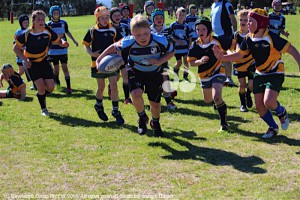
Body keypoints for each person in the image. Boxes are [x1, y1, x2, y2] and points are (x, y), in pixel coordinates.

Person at [213, 8, 300, 138]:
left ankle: (281, 112)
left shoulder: (271, 37)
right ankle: (273, 127)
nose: (247, 23)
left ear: (260, 23)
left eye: (250, 21)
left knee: (269, 102)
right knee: (259, 106)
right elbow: (239, 55)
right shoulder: (248, 38)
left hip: (275, 72)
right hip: (260, 73)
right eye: (247, 20)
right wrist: (222, 58)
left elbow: (292, 50)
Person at [96, 14, 174, 136]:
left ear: (150, 30)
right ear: (132, 33)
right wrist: (99, 59)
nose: (142, 37)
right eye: (138, 35)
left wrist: (160, 61)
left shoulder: (160, 40)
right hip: (135, 71)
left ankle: (155, 122)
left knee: (155, 104)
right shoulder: (128, 41)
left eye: (145, 33)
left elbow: (171, 52)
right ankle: (142, 118)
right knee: (136, 94)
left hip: (154, 73)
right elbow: (113, 47)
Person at [13, 10, 69, 116]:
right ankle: (43, 108)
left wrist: (63, 43)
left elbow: (57, 40)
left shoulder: (48, 31)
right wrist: (25, 59)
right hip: (31, 63)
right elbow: (15, 48)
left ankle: (40, 95)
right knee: (41, 87)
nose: (41, 21)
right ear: (33, 21)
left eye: (43, 19)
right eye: (38, 19)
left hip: (44, 61)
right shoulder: (26, 34)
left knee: (51, 88)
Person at [82, 6, 124, 125]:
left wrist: (119, 57)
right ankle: (98, 105)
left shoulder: (113, 30)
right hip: (97, 63)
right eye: (102, 18)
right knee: (101, 87)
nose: (105, 20)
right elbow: (86, 45)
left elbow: (120, 44)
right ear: (97, 19)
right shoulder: (92, 31)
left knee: (114, 85)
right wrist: (92, 53)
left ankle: (115, 110)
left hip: (112, 62)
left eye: (107, 17)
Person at [187, 17, 230, 133]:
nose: (200, 31)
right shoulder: (195, 45)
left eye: (203, 29)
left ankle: (224, 123)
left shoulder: (216, 41)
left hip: (218, 71)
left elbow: (227, 52)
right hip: (204, 75)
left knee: (216, 96)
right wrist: (200, 61)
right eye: (198, 29)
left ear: (209, 30)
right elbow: (191, 62)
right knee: (207, 100)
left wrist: (223, 55)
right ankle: (218, 105)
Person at [47, 5, 79, 94]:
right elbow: (47, 36)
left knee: (65, 67)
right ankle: (57, 82)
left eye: (57, 12)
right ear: (51, 14)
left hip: (63, 49)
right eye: (54, 13)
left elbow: (67, 32)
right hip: (53, 50)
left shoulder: (63, 23)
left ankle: (69, 87)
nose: (56, 14)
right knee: (56, 69)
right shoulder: (48, 24)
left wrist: (74, 40)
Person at [150, 8, 177, 111]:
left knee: (164, 79)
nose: (159, 19)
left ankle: (168, 101)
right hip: (151, 58)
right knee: (152, 81)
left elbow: (170, 44)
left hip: (163, 58)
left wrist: (167, 54)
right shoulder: (149, 29)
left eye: (161, 17)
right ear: (153, 19)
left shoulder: (167, 30)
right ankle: (153, 101)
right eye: (156, 18)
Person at [230, 9, 255, 112]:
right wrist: (233, 52)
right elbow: (231, 48)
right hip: (239, 64)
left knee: (251, 85)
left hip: (251, 63)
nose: (243, 22)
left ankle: (248, 95)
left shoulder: (253, 34)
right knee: (242, 84)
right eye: (241, 20)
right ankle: (242, 104)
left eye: (246, 20)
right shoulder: (236, 35)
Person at [211, 0, 237, 87]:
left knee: (226, 55)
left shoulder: (226, 4)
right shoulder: (213, 5)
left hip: (225, 35)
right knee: (218, 56)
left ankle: (229, 78)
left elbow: (233, 18)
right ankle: (222, 77)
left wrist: (235, 33)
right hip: (216, 35)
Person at [109, 7, 132, 104]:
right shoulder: (109, 28)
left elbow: (129, 39)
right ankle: (110, 87)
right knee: (117, 77)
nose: (117, 17)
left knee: (125, 75)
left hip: (124, 54)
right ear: (111, 17)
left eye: (119, 15)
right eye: (115, 15)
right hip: (114, 55)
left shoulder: (125, 26)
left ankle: (127, 98)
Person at [169, 7, 191, 82]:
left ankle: (185, 76)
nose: (181, 16)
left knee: (186, 61)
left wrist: (189, 46)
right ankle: (175, 70)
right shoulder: (173, 25)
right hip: (177, 48)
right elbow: (170, 36)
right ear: (176, 14)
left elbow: (189, 37)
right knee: (179, 62)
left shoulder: (186, 26)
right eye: (180, 14)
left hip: (185, 48)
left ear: (185, 16)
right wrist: (177, 40)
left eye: (183, 15)